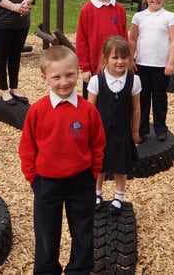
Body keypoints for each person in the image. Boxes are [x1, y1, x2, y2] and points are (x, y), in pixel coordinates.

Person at [19, 45, 106, 275]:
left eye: (69, 75)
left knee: (83, 232)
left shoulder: (88, 110)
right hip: (47, 184)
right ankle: (47, 270)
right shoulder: (37, 111)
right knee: (47, 234)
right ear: (44, 78)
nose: (64, 82)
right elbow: (27, 148)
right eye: (56, 77)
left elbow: (98, 143)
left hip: (82, 181)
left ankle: (80, 269)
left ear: (78, 72)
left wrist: (92, 172)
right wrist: (34, 179)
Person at [87, 36, 141, 214]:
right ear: (105, 58)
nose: (120, 61)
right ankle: (97, 193)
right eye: (115, 57)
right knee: (99, 165)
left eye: (124, 57)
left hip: (122, 132)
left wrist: (135, 131)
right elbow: (90, 109)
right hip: (100, 132)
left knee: (121, 164)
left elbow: (136, 108)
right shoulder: (97, 80)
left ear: (129, 59)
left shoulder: (134, 80)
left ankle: (119, 195)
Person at [129, 0, 174, 142]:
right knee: (142, 98)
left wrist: (170, 63)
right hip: (142, 64)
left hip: (160, 66)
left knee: (159, 98)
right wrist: (131, 59)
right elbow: (132, 39)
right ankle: (142, 129)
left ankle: (160, 128)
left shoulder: (169, 17)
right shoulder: (139, 17)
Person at [76, 0, 128, 98]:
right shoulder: (87, 10)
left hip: (116, 67)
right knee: (92, 106)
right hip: (94, 68)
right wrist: (85, 67)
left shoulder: (120, 9)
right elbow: (81, 40)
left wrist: (126, 61)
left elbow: (124, 38)